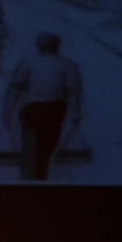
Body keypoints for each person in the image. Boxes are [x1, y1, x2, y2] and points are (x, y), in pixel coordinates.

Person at [4, 33, 82, 181]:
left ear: (39, 46)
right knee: (48, 145)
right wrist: (76, 113)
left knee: (30, 144)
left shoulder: (28, 63)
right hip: (55, 109)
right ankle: (40, 174)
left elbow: (15, 89)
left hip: (32, 109)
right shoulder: (67, 64)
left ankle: (30, 177)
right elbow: (72, 92)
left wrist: (7, 111)